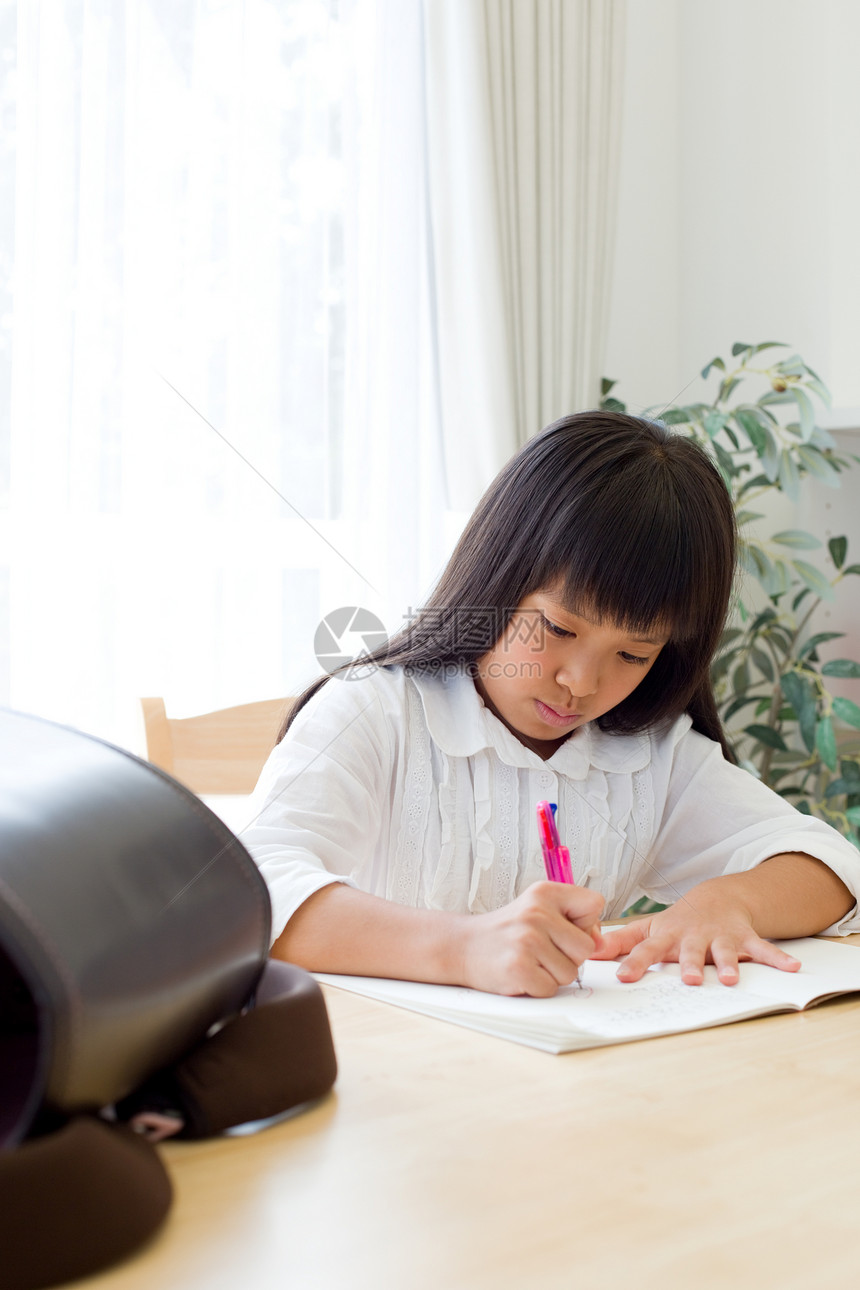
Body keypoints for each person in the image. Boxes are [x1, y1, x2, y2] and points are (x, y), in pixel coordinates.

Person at [243, 411, 860, 998]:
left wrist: (730, 901)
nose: (581, 682)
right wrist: (463, 949)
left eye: (633, 655)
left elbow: (833, 867)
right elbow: (249, 889)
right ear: (496, 578)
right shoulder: (376, 712)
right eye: (559, 630)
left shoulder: (649, 754)